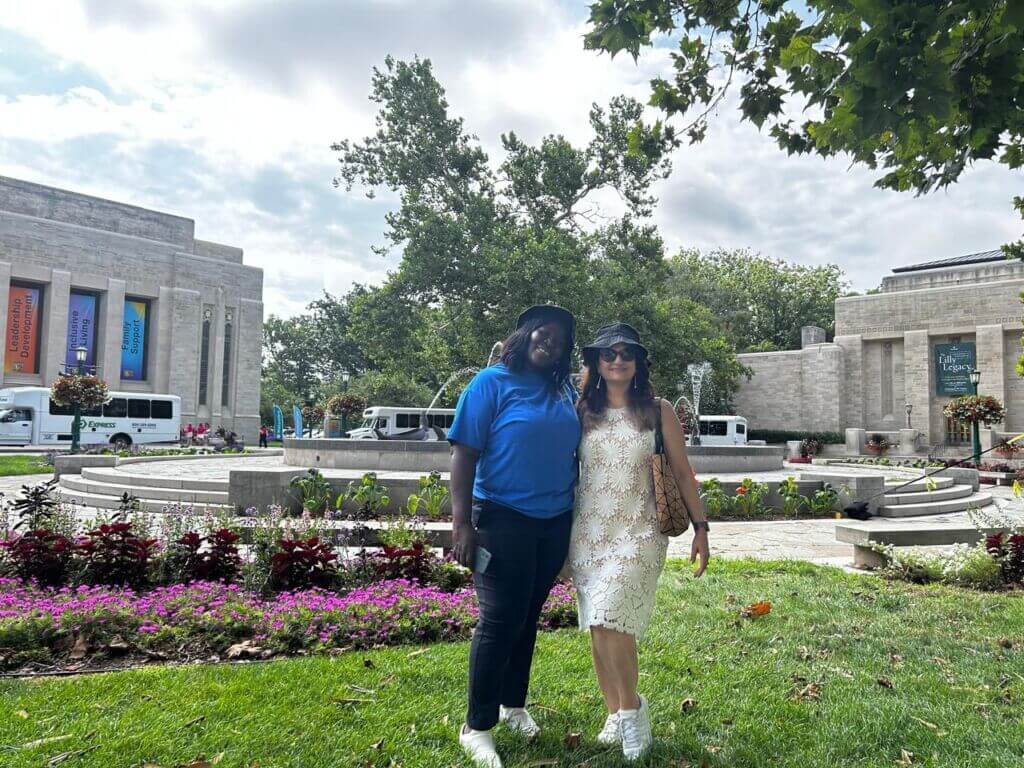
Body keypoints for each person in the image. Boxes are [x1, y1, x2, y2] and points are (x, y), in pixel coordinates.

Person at [569, 322, 710, 761]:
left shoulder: (658, 410)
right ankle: (613, 712)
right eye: (608, 354)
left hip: (640, 530)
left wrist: (701, 528)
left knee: (613, 616)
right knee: (597, 624)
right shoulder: (580, 411)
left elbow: (684, 472)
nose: (617, 360)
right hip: (589, 532)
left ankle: (633, 713)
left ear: (638, 362)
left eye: (626, 353)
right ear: (595, 361)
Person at [449, 305, 581, 768]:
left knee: (527, 615)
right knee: (500, 619)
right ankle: (477, 726)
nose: (551, 343)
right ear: (525, 334)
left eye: (561, 340)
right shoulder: (491, 382)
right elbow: (464, 454)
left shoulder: (561, 388)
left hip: (554, 520)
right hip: (502, 517)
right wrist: (462, 524)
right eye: (544, 333)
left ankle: (513, 705)